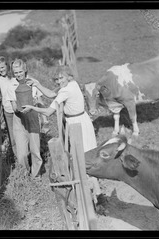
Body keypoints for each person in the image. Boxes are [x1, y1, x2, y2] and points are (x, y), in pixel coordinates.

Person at [22, 65, 103, 201]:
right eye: (57, 79)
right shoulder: (73, 84)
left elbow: (48, 111)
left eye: (62, 78)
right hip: (82, 120)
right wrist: (38, 84)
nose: (59, 81)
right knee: (84, 156)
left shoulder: (66, 90)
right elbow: (53, 94)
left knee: (84, 158)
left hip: (77, 124)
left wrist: (32, 107)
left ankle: (94, 194)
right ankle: (95, 192)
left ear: (69, 77)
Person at [4, 59, 43, 178]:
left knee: (35, 149)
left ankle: (36, 175)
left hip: (32, 116)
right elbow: (14, 106)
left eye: (20, 71)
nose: (18, 74)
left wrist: (36, 103)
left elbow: (40, 101)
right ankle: (25, 173)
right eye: (16, 72)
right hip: (19, 118)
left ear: (25, 70)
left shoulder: (33, 82)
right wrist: (19, 109)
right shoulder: (11, 86)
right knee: (21, 153)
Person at [0, 56, 18, 157]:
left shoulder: (15, 76)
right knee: (12, 135)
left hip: (19, 109)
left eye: (3, 67)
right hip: (8, 111)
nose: (1, 70)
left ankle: (26, 155)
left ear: (7, 66)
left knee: (23, 132)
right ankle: (17, 157)